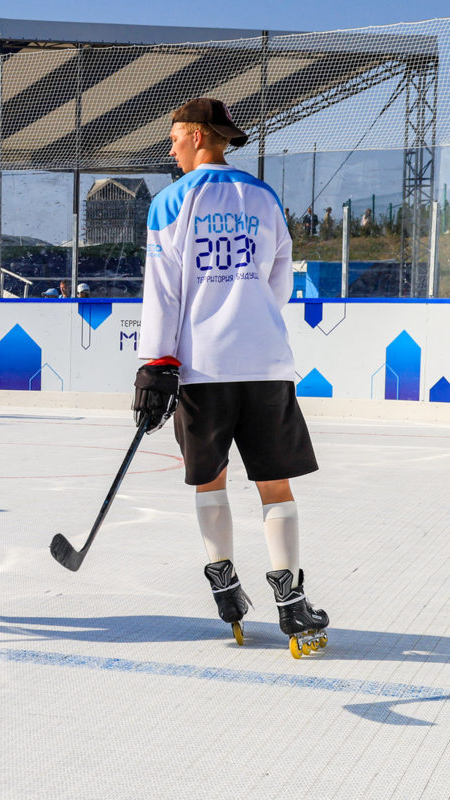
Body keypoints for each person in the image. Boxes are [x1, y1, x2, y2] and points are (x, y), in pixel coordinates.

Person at [132, 98, 329, 657]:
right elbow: (278, 279)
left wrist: (157, 363)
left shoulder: (171, 202)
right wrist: (248, 313)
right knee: (275, 482)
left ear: (196, 135)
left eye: (174, 137)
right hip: (265, 362)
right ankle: (291, 599)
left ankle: (225, 587)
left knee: (209, 478)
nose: (170, 147)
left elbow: (164, 291)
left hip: (201, 368)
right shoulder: (263, 197)